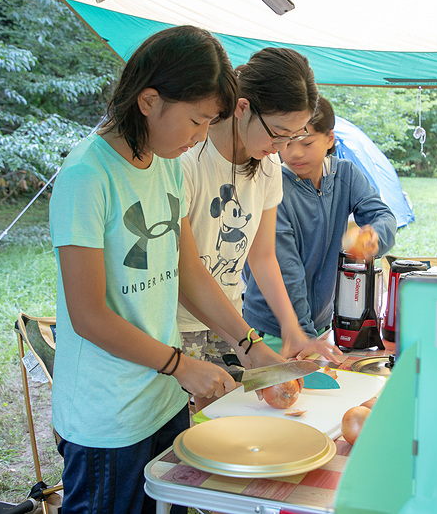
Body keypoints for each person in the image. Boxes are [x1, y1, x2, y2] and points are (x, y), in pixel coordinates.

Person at [49, 26, 284, 514]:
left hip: (163, 398)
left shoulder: (167, 165)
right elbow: (88, 315)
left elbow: (190, 272)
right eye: (197, 121)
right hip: (107, 416)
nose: (201, 137)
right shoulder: (86, 177)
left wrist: (251, 346)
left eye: (210, 124)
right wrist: (181, 365)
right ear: (149, 100)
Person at [177, 48, 340, 402]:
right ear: (242, 107)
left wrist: (291, 326)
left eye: (293, 138)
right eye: (277, 134)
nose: (282, 148)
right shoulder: (187, 157)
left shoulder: (265, 167)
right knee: (192, 435)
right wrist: (247, 340)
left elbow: (262, 257)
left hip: (231, 317)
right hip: (180, 324)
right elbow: (183, 271)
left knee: (229, 422)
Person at [242, 97, 397, 352]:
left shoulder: (346, 175)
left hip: (320, 328)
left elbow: (382, 215)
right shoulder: (274, 186)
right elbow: (287, 271)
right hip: (272, 331)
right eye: (288, 142)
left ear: (330, 138)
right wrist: (303, 335)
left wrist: (375, 237)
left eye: (307, 142)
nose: (295, 153)